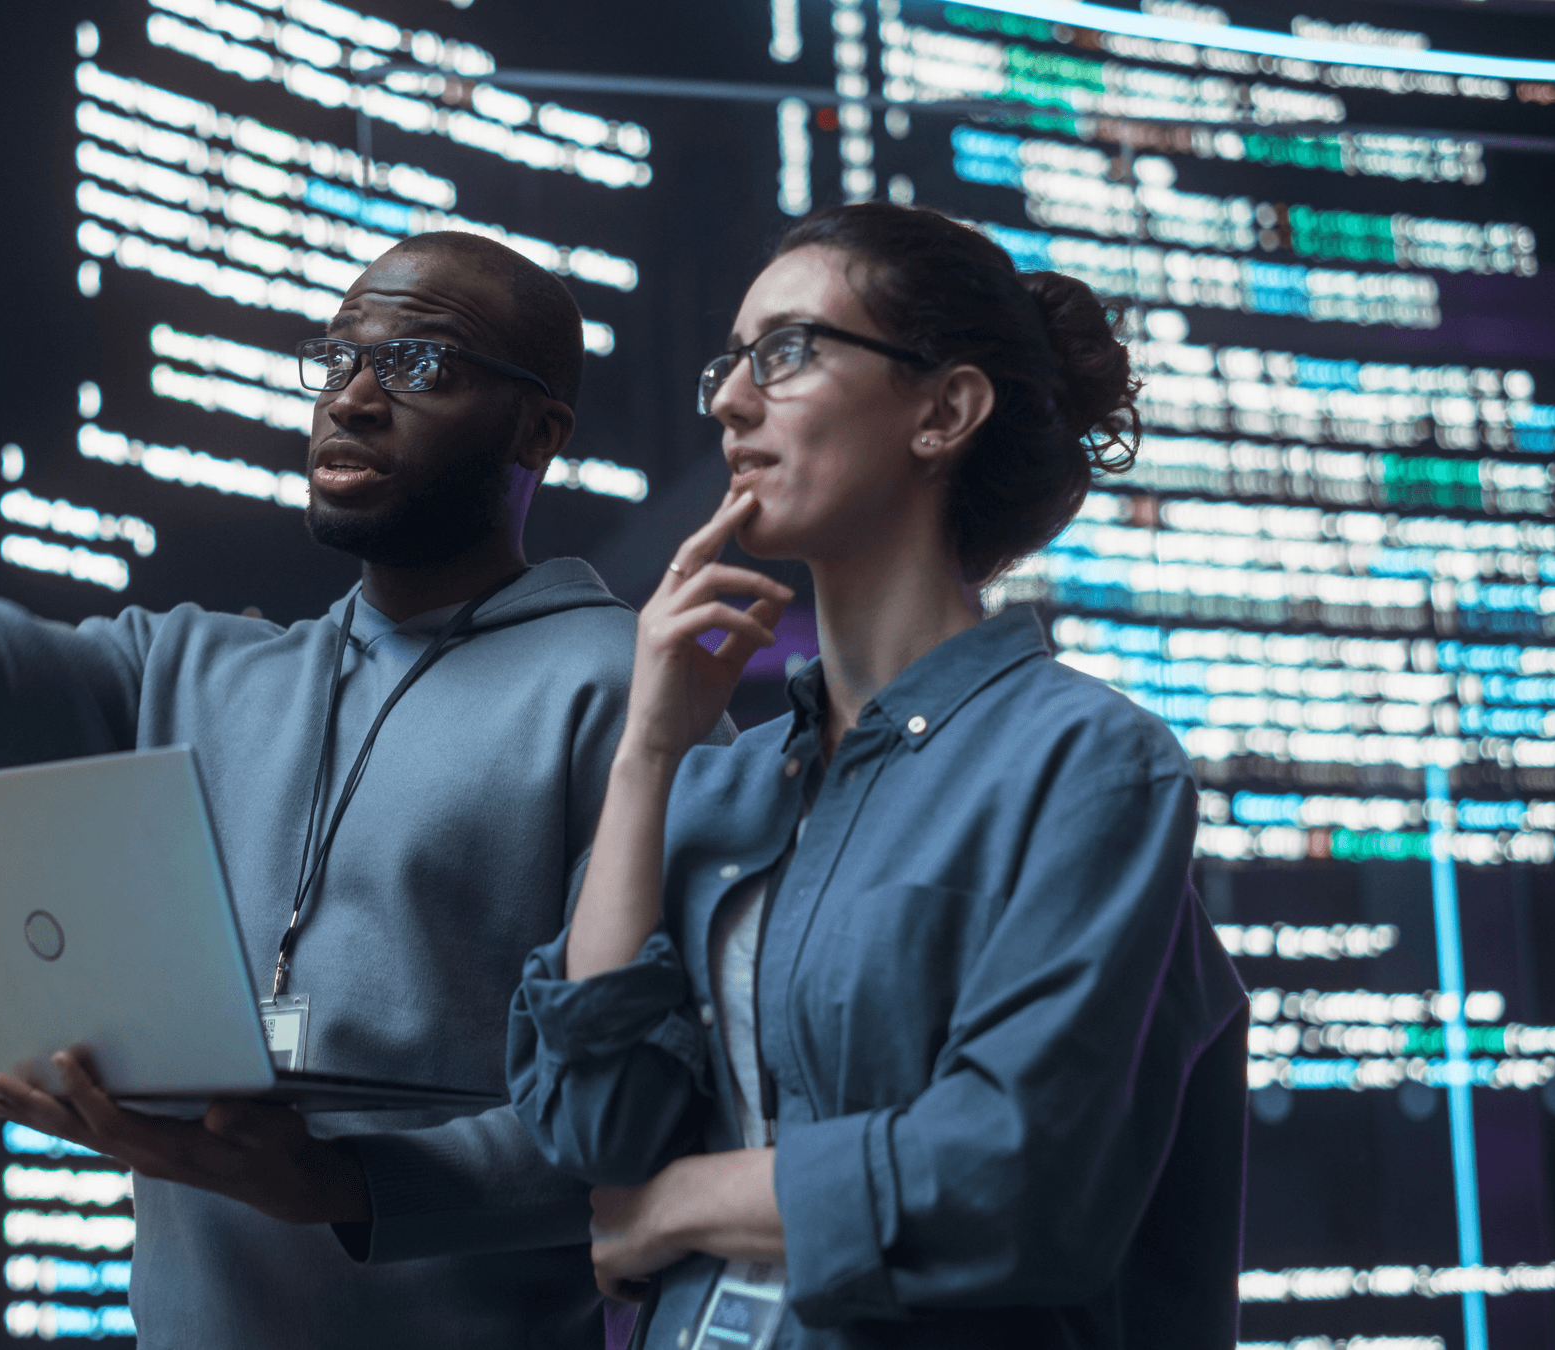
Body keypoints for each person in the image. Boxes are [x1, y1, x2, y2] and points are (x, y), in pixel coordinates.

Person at [0, 59, 698, 1348]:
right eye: (338, 356)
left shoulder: (625, 683)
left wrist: (346, 1182)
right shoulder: (190, 668)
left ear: (537, 434)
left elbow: (657, 1114)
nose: (352, 396)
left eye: (421, 361)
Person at [506, 202, 1247, 1348]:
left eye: (786, 352)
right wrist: (647, 758)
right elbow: (593, 1132)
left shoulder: (1086, 761)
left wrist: (681, 1204)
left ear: (943, 410)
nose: (727, 400)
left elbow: (1016, 1181)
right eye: (729, 361)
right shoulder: (716, 785)